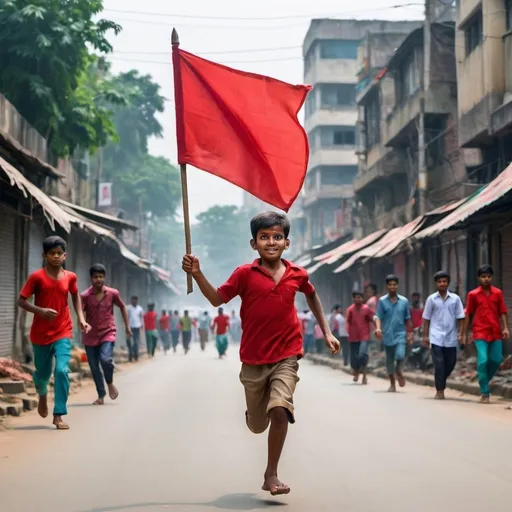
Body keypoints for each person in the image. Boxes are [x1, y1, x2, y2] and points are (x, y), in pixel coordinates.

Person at [182, 211, 340, 496]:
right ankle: (254, 413)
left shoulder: (297, 274)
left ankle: (271, 474)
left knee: (280, 410)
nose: (271, 242)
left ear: (286, 242)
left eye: (277, 237)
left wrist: (327, 331)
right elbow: (217, 298)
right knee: (257, 425)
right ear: (253, 244)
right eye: (264, 237)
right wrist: (197, 274)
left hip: (287, 355)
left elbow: (311, 294)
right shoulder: (244, 274)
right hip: (253, 361)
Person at [17, 236, 90, 430]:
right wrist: (40, 311)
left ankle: (58, 414)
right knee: (43, 373)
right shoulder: (36, 277)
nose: (56, 256)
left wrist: (81, 318)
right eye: (52, 253)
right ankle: (41, 393)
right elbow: (21, 301)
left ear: (65, 255)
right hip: (40, 334)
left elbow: (75, 295)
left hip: (63, 331)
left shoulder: (70, 277)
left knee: (62, 370)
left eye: (59, 253)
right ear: (44, 255)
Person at [81, 264, 130, 405]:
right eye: (96, 277)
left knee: (105, 359)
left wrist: (127, 326)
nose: (98, 279)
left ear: (104, 277)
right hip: (90, 335)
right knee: (94, 367)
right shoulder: (85, 296)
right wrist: (81, 322)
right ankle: (101, 395)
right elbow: (80, 312)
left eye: (101, 277)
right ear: (91, 278)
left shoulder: (113, 293)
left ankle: (109, 382)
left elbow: (122, 307)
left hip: (107, 332)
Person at [464, 264, 509, 403]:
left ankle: (483, 380)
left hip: (495, 331)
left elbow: (502, 311)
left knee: (496, 359)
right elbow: (468, 314)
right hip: (480, 331)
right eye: (483, 277)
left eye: (489, 276)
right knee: (483, 360)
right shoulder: (473, 295)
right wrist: (465, 332)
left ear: (492, 277)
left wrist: (505, 328)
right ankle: (485, 392)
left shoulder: (498, 293)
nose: (486, 279)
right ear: (479, 278)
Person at [422, 271, 465, 400]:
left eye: (444, 281)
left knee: (451, 363)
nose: (442, 284)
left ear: (448, 283)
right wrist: (425, 336)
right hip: (436, 336)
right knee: (439, 364)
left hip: (451, 336)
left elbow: (461, 317)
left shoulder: (455, 299)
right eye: (439, 282)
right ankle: (440, 390)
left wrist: (461, 333)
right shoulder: (431, 299)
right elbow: (426, 318)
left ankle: (441, 380)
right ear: (436, 283)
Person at [375, 275, 413, 392]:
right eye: (390, 285)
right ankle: (392, 384)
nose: (392, 287)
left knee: (401, 355)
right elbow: (378, 317)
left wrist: (410, 333)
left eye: (394, 284)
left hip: (400, 333)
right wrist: (378, 329)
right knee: (389, 360)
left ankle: (399, 371)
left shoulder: (404, 301)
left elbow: (407, 318)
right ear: (387, 286)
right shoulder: (382, 301)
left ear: (397, 286)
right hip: (387, 334)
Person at [346, 291, 374, 385]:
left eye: (359, 297)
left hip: (364, 336)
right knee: (354, 358)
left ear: (362, 298)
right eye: (356, 297)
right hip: (353, 336)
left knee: (363, 355)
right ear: (353, 299)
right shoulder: (350, 309)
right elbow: (348, 322)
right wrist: (347, 333)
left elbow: (372, 318)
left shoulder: (366, 309)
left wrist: (378, 329)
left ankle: (365, 375)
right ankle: (356, 371)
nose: (357, 299)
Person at [126, 296, 144, 362]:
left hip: (137, 327)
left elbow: (141, 317)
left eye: (135, 300)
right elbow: (126, 317)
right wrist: (126, 325)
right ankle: (130, 356)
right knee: (129, 342)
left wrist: (142, 325)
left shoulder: (140, 309)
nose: (134, 301)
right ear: (131, 301)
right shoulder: (128, 308)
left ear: (137, 301)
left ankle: (136, 356)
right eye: (133, 300)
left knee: (136, 342)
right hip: (130, 327)